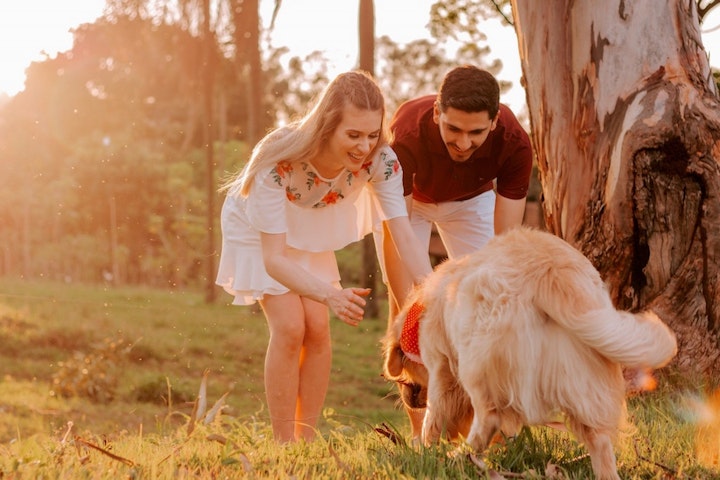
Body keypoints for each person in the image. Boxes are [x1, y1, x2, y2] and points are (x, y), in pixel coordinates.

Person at [215, 70, 433, 444]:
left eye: (371, 134)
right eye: (353, 135)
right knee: (290, 326)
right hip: (260, 231)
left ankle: (306, 438)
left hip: (310, 225)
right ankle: (284, 443)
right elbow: (274, 259)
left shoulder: (382, 162)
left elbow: (403, 234)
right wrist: (331, 294)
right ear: (327, 126)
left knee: (318, 328)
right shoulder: (278, 159)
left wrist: (435, 292)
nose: (364, 146)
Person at [378, 64, 533, 438]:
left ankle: (485, 424)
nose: (464, 142)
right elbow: (399, 224)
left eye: (476, 132)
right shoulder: (408, 133)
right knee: (409, 311)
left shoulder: (515, 144)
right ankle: (422, 435)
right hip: (409, 205)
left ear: (494, 122)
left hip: (469, 202)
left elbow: (503, 247)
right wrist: (423, 300)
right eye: (453, 130)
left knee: (486, 305)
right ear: (437, 114)